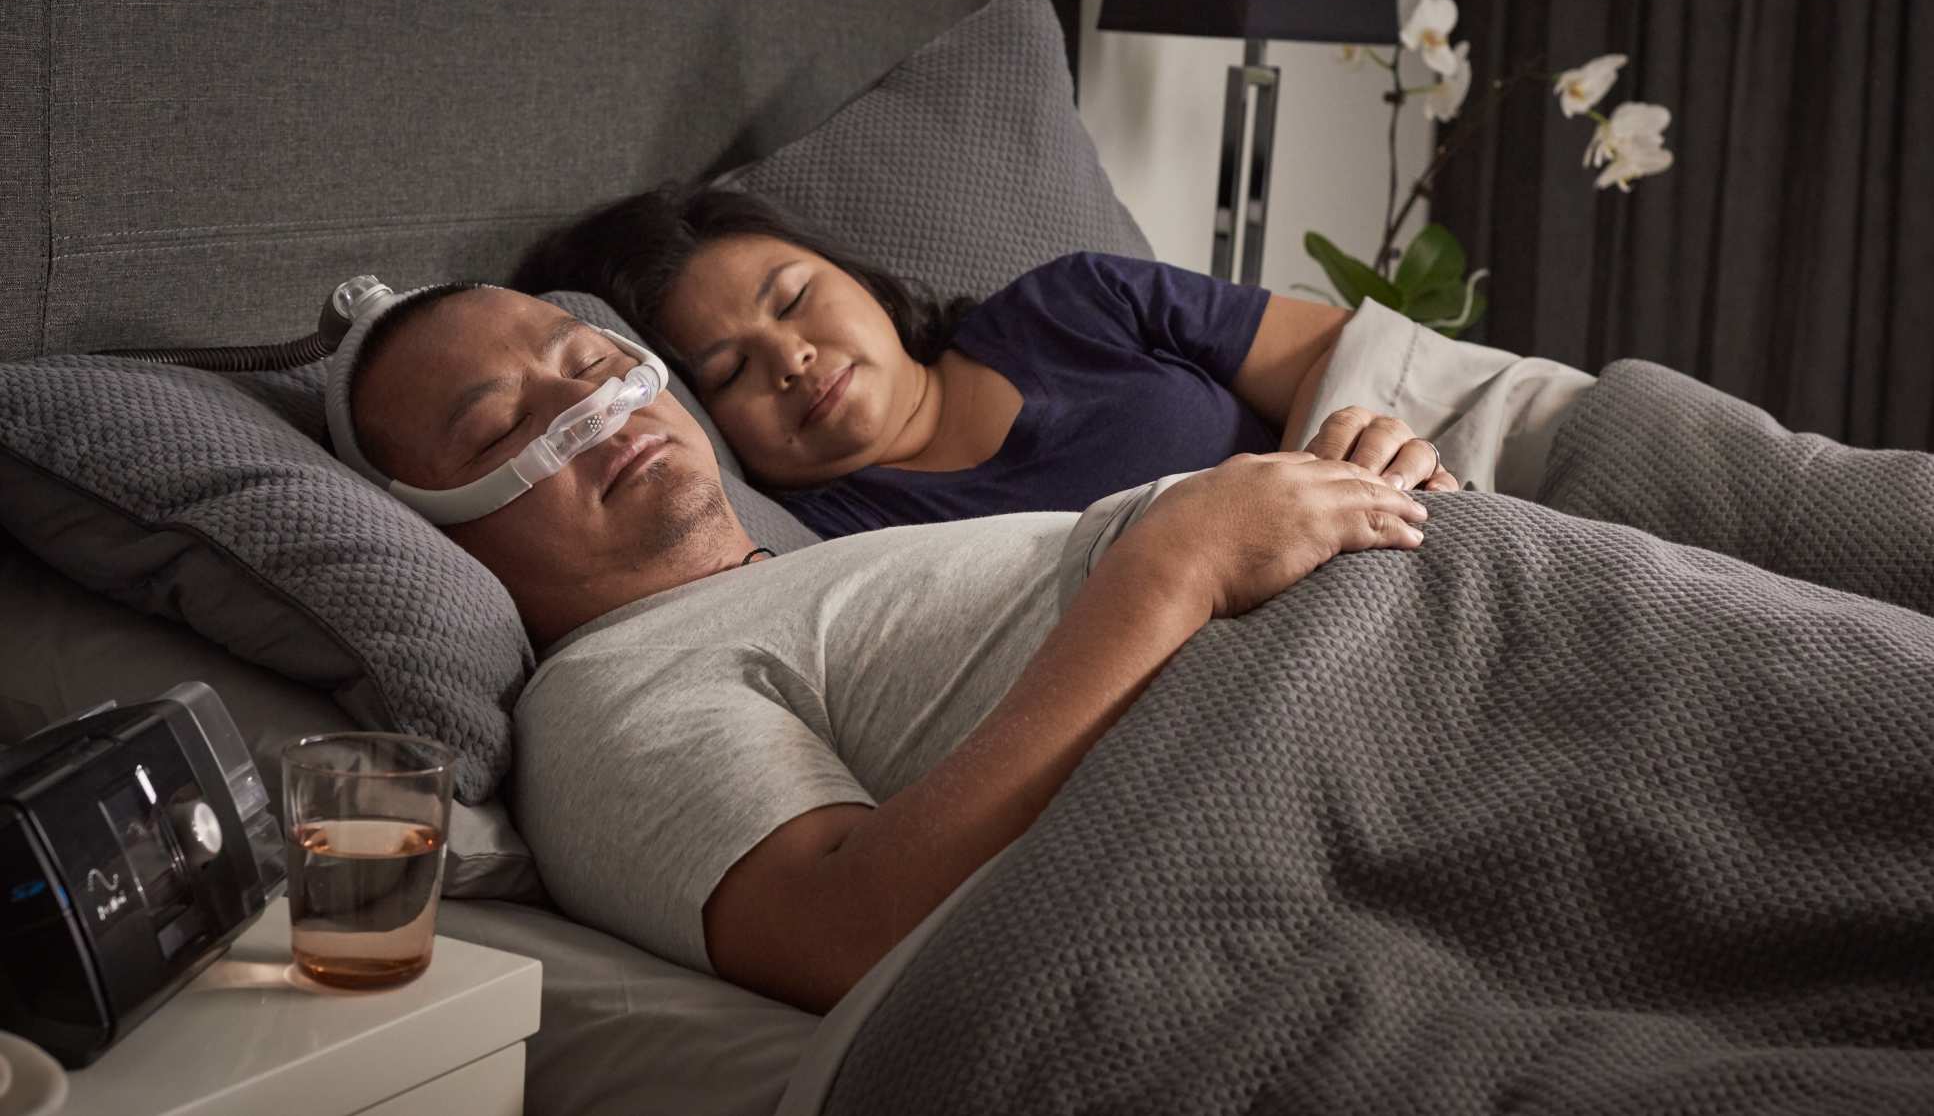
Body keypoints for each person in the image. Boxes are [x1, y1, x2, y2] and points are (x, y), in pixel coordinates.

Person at [329, 281, 1432, 1013]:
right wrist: (1177, 566)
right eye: (494, 429)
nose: (587, 407)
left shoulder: (828, 558)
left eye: (585, 359)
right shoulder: (611, 695)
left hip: (1426, 595)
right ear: (436, 526)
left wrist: (1348, 486)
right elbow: (842, 934)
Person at [510, 183, 1594, 538]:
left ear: (862, 284)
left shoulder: (1074, 301)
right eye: (730, 372)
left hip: (1445, 494)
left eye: (792, 299)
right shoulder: (828, 537)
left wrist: (1365, 452)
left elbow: (1345, 355)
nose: (789, 358)